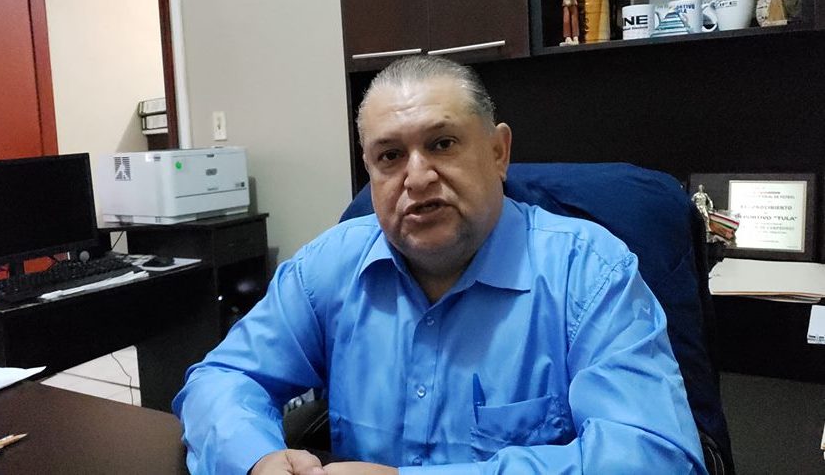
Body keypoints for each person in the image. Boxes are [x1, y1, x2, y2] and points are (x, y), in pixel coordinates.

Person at [173, 56, 707, 474]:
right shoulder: (328, 267)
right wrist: (256, 459)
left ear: (498, 153)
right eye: (389, 156)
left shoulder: (589, 273)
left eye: (442, 143)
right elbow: (223, 378)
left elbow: (653, 456)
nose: (418, 177)